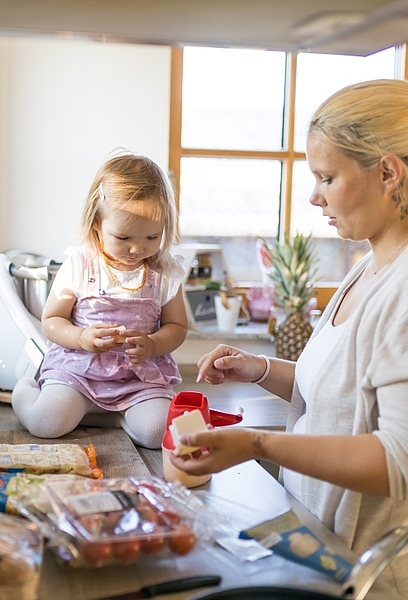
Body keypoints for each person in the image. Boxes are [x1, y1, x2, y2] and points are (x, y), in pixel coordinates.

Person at [170, 79, 408, 597]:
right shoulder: (367, 266)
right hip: (314, 547)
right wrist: (258, 369)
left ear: (388, 173)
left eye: (327, 176)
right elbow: (341, 396)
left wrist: (256, 444)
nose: (313, 195)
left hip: (367, 578)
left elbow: (397, 460)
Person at [12, 152, 188, 448]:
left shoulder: (165, 271)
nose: (136, 248)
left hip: (136, 378)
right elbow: (52, 320)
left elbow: (177, 325)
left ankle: (109, 414)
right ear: (96, 222)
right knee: (47, 422)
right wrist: (81, 337)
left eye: (151, 237)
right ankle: (26, 390)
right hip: (79, 371)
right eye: (123, 237)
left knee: (158, 431)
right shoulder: (80, 263)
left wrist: (154, 344)